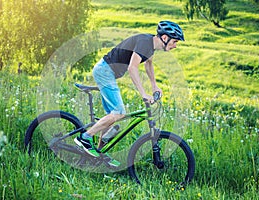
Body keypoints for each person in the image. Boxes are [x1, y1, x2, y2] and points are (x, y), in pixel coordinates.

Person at [74, 20, 185, 167]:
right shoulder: (145, 42)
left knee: (112, 117)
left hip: (109, 73)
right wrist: (143, 93)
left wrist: (154, 85)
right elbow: (132, 68)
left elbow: (148, 64)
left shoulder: (151, 46)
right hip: (104, 71)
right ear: (165, 38)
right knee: (119, 113)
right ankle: (85, 138)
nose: (175, 45)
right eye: (175, 41)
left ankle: (98, 152)